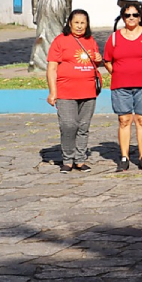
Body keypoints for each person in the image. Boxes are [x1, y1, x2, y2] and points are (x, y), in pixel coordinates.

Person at [101, 1, 142, 171]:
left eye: (135, 15)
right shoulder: (115, 37)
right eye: (127, 15)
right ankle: (124, 157)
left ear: (140, 17)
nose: (131, 18)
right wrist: (118, 73)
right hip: (121, 85)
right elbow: (107, 60)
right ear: (123, 18)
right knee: (124, 120)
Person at [46, 9, 101, 172]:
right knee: (68, 125)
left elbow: (94, 63)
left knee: (83, 126)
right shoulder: (60, 41)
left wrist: (98, 60)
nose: (79, 26)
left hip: (88, 91)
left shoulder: (90, 40)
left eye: (82, 23)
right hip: (66, 91)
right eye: (76, 22)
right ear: (70, 23)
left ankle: (80, 159)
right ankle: (67, 159)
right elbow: (52, 68)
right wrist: (52, 91)